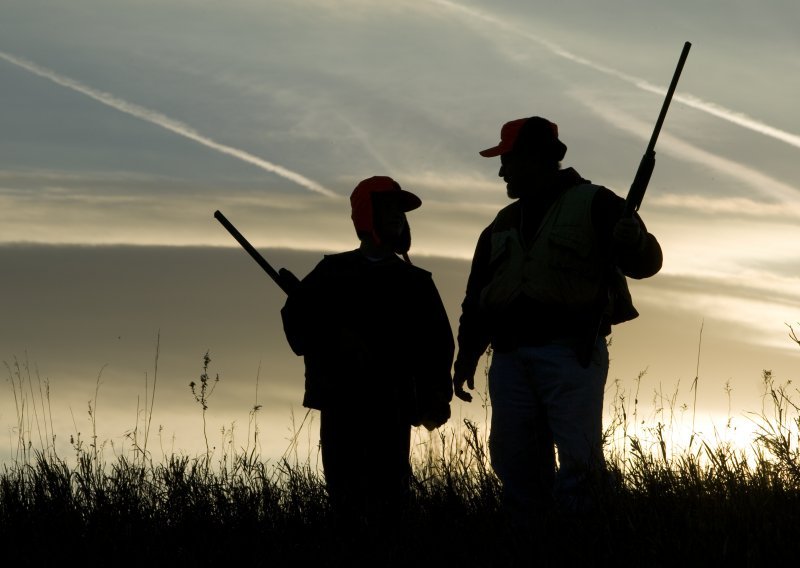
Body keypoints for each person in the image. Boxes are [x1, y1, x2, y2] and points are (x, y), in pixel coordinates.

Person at [452, 116, 663, 517]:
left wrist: (633, 240)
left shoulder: (597, 203)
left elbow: (647, 262)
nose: (502, 170)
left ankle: (584, 542)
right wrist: (467, 355)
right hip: (510, 358)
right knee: (515, 462)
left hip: (571, 353)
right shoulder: (500, 224)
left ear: (536, 159)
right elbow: (477, 299)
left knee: (579, 463)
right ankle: (531, 543)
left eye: (508, 160)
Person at [281, 175, 454, 525]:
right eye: (388, 209)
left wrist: (436, 397)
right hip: (341, 403)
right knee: (344, 499)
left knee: (391, 501)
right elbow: (298, 329)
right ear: (366, 216)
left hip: (391, 405)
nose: (398, 218)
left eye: (400, 212)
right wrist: (330, 337)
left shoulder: (416, 282)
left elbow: (438, 346)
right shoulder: (332, 272)